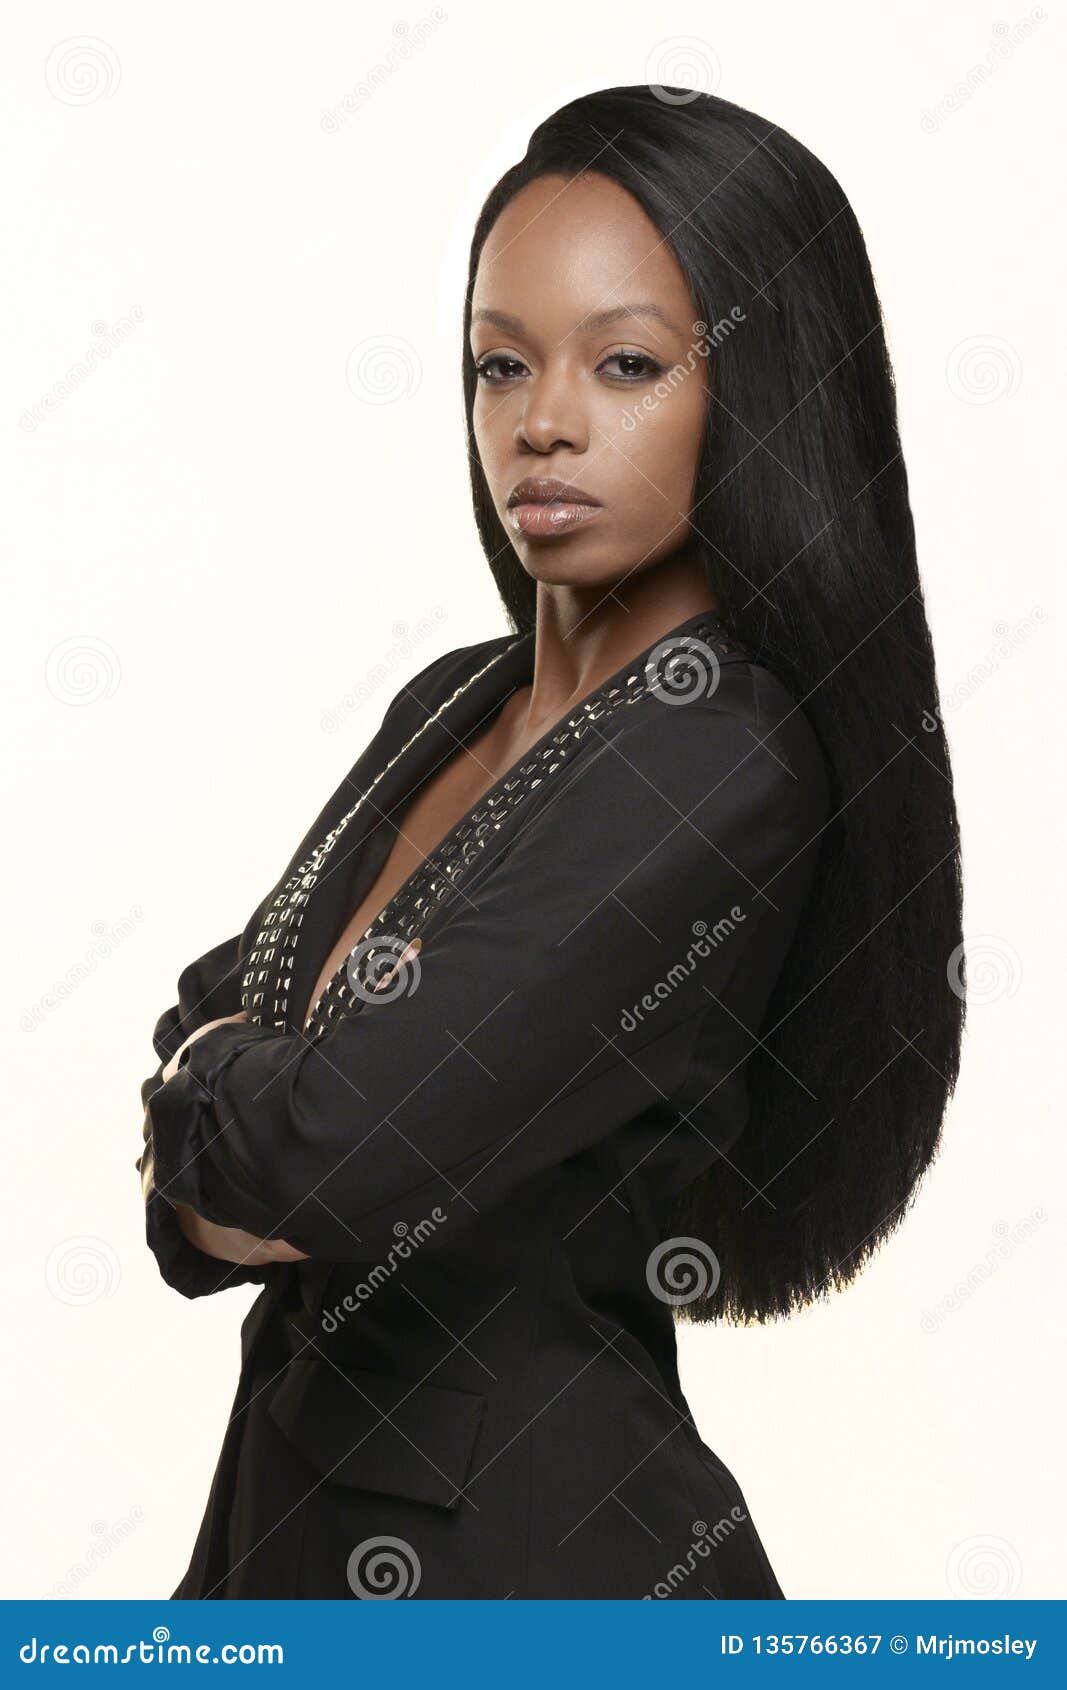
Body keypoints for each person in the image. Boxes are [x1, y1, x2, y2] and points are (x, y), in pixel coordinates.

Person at [137, 84, 965, 1600]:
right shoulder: (447, 702)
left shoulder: (723, 753)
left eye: (628, 362)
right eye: (498, 364)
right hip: (285, 1508)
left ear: (756, 385)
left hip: (530, 1552)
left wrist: (221, 1101)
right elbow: (219, 1134)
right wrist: (243, 1114)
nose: (544, 420)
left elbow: (336, 1145)